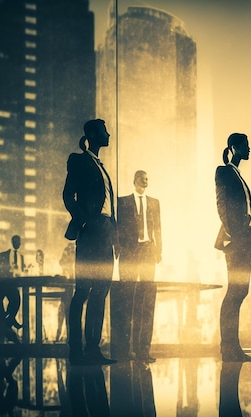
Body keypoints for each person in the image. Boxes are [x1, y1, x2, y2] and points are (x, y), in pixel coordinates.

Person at [63, 118, 117, 365]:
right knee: (83, 291)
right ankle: (76, 350)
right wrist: (83, 221)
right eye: (105, 131)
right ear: (94, 135)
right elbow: (67, 195)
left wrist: (113, 235)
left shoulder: (101, 165)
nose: (109, 134)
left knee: (101, 292)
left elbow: (109, 205)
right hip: (91, 231)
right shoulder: (80, 160)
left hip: (106, 233)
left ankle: (92, 350)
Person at [214, 133, 251, 362]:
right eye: (246, 145)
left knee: (240, 292)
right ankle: (228, 348)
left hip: (245, 241)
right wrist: (235, 235)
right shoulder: (224, 172)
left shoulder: (238, 175)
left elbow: (248, 210)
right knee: (234, 292)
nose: (249, 149)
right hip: (236, 242)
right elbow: (222, 206)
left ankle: (233, 347)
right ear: (234, 147)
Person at [115, 170, 162, 363]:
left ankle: (144, 350)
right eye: (143, 178)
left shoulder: (154, 203)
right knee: (127, 301)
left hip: (148, 252)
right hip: (129, 254)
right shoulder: (123, 202)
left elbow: (158, 228)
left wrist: (159, 250)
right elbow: (117, 227)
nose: (146, 181)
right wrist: (117, 248)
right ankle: (125, 350)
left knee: (147, 302)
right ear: (135, 180)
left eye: (148, 178)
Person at [0, 235, 25, 332]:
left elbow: (21, 271)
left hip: (14, 284)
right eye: (16, 242)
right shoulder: (2, 255)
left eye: (19, 242)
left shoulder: (21, 257)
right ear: (12, 242)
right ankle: (10, 321)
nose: (18, 244)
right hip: (4, 284)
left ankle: (9, 320)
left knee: (16, 301)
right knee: (15, 301)